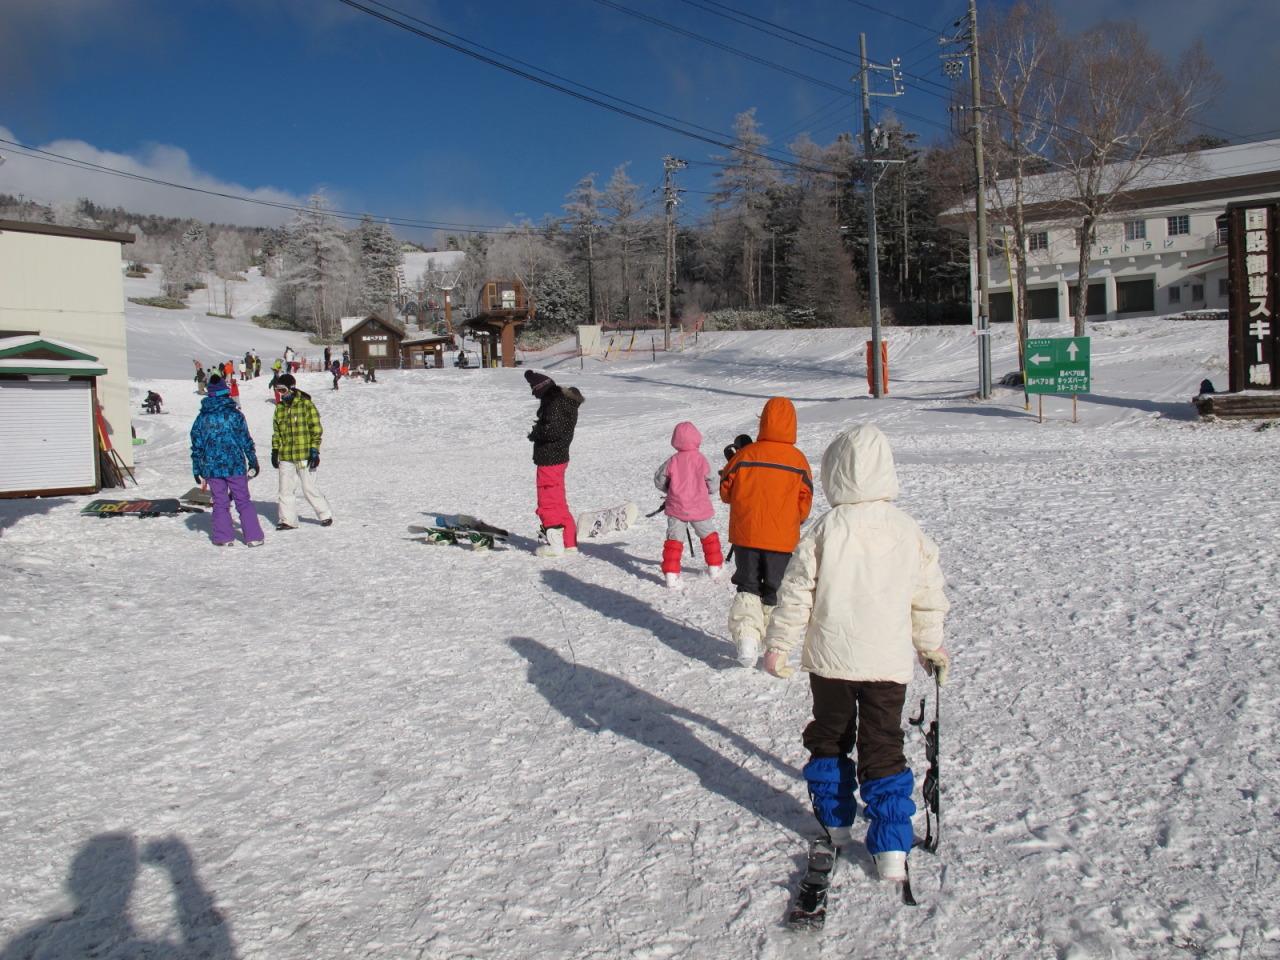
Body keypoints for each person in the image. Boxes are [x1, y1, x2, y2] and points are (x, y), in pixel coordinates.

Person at [761, 423, 950, 884]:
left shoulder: (826, 528)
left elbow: (797, 592)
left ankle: (836, 823)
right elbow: (926, 595)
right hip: (887, 664)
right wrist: (930, 645)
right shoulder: (907, 530)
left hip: (832, 663)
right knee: (883, 746)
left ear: (835, 474)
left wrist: (780, 643)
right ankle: (891, 848)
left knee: (831, 738)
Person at [719, 396, 813, 667]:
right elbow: (805, 499)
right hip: (781, 539)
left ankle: (747, 641)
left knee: (748, 585)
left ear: (764, 421)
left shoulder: (745, 455)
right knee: (775, 589)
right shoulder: (798, 460)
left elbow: (726, 491)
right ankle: (774, 646)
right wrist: (794, 519)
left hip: (746, 535)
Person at [189, 375, 264, 547]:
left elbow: (196, 445)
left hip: (212, 468)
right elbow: (245, 439)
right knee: (242, 500)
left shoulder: (202, 418)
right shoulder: (235, 415)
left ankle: (224, 537)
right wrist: (253, 460)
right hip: (235, 465)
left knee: (220, 502)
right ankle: (253, 536)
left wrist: (196, 468)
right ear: (226, 392)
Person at [654, 421, 723, 588]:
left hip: (676, 508)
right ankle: (715, 567)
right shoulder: (702, 459)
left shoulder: (672, 461)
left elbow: (659, 479)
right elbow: (714, 480)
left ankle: (671, 574)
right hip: (699, 507)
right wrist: (709, 490)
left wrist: (669, 489)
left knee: (674, 540)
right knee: (708, 536)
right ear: (697, 438)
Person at [525, 369, 584, 558]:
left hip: (549, 460)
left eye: (534, 389)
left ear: (543, 389)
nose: (533, 393)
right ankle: (569, 543)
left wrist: (538, 432)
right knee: (558, 502)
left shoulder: (555, 404)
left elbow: (553, 430)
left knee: (548, 502)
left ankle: (555, 545)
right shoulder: (564, 403)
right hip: (558, 458)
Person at [271, 373, 333, 531]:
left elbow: (316, 428)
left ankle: (324, 513)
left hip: (304, 454)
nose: (280, 394)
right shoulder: (280, 408)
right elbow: (276, 432)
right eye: (278, 390)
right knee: (285, 489)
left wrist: (314, 450)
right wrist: (275, 450)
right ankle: (288, 520)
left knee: (308, 487)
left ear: (291, 388)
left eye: (283, 390)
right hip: (286, 455)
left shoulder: (306, 405)